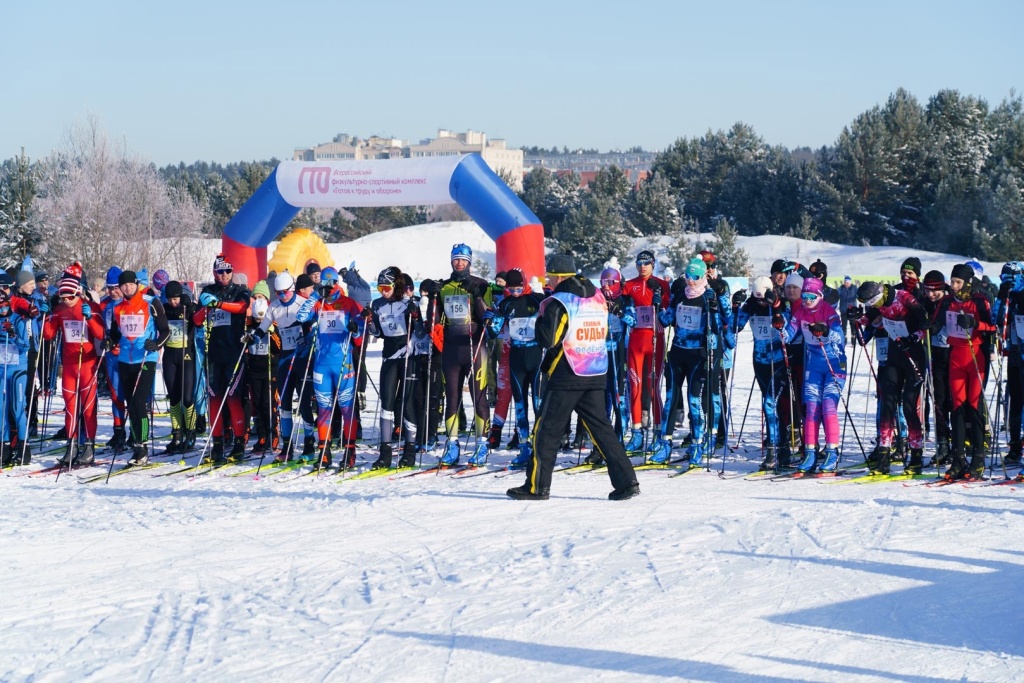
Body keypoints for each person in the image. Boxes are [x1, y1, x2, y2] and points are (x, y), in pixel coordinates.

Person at [507, 254, 639, 501]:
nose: (549, 281)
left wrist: (539, 321)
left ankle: (536, 487)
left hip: (566, 373)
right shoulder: (598, 296)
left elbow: (548, 339)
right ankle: (627, 482)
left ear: (558, 276)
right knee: (602, 430)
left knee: (546, 431)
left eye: (550, 277)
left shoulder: (559, 301)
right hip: (595, 370)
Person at [657, 257, 734, 466]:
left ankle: (699, 444)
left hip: (698, 355)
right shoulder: (681, 295)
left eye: (696, 277)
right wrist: (659, 305)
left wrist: (715, 307)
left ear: (703, 277)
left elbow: (724, 324)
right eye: (688, 276)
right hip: (677, 353)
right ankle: (665, 444)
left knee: (694, 400)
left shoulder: (710, 297)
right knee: (671, 398)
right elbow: (665, 321)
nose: (691, 281)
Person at [855, 280, 929, 475]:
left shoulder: (904, 298)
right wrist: (856, 317)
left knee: (908, 406)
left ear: (878, 297)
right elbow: (868, 319)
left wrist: (913, 338)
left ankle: (916, 455)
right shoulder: (878, 304)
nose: (872, 307)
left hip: (913, 356)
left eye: (873, 303)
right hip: (894, 356)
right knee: (887, 403)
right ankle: (883, 455)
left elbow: (925, 324)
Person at [296, 266, 363, 467]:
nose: (328, 287)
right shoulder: (318, 303)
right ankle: (324, 451)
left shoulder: (349, 303)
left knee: (346, 409)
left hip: (343, 364)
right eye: (323, 284)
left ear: (336, 283)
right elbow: (300, 317)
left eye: (331, 283)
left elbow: (361, 335)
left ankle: (350, 451)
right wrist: (315, 295)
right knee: (323, 410)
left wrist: (355, 329)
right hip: (321, 365)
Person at [778, 276, 846, 473]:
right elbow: (790, 334)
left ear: (819, 295)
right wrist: (781, 330)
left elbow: (839, 336)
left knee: (828, 405)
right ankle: (810, 452)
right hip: (814, 364)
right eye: (805, 295)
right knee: (811, 408)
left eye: (811, 296)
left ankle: (832, 452)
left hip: (834, 363)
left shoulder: (828, 310)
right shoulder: (800, 311)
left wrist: (825, 331)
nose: (807, 300)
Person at [433, 244, 492, 466]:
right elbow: (436, 319)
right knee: (452, 398)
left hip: (475, 348)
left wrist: (476, 294)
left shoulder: (481, 284)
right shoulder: (445, 287)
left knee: (479, 397)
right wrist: (431, 296)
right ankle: (452, 444)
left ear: (469, 262)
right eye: (456, 259)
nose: (459, 263)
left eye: (463, 260)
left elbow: (487, 315)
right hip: (452, 348)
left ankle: (482, 444)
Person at [935, 263, 995, 480]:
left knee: (974, 406)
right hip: (956, 357)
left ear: (968, 283)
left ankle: (978, 459)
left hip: (976, 356)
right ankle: (959, 458)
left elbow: (993, 327)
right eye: (952, 281)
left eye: (957, 282)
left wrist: (975, 323)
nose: (953, 286)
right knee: (957, 406)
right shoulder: (947, 300)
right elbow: (935, 323)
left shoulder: (980, 300)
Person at [105, 270, 170, 466]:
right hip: (125, 359)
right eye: (123, 285)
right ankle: (136, 444)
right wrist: (110, 341)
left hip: (145, 358)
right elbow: (116, 333)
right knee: (131, 403)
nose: (127, 288)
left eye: (130, 284)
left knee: (139, 402)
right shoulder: (117, 307)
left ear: (136, 284)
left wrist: (157, 344)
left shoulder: (151, 302)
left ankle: (141, 447)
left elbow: (165, 329)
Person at [194, 253, 252, 464]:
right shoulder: (208, 291)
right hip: (214, 354)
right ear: (214, 273)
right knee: (214, 398)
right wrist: (206, 307)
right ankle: (217, 443)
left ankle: (238, 444)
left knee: (233, 397)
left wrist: (219, 305)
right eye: (221, 271)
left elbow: (243, 307)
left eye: (228, 271)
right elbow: (197, 320)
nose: (225, 275)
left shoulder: (239, 290)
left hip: (234, 353)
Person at [44, 273, 106, 466]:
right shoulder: (60, 310)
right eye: (63, 297)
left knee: (88, 409)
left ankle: (89, 446)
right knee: (70, 408)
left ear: (78, 293)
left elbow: (101, 334)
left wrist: (90, 318)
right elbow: (48, 335)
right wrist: (47, 317)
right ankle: (71, 447)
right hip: (69, 365)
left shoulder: (90, 307)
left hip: (87, 363)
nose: (66, 301)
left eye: (70, 297)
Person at [486, 268, 545, 469]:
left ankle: (540, 447)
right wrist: (490, 318)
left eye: (519, 288)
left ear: (525, 283)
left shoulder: (536, 300)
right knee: (520, 405)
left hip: (536, 356)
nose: (516, 292)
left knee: (538, 403)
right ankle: (524, 447)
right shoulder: (505, 303)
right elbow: (493, 332)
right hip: (517, 357)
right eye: (512, 289)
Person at [258, 270, 316, 462]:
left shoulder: (302, 303)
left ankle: (309, 443)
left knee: (304, 403)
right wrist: (252, 337)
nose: (282, 296)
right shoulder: (274, 306)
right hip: (285, 358)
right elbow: (263, 326)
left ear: (292, 290)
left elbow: (315, 321)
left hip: (302, 357)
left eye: (285, 292)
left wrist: (307, 335)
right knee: (283, 403)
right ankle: (287, 446)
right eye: (279, 293)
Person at [366, 266, 418, 470]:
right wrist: (369, 322)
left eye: (386, 287)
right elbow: (377, 332)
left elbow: (420, 333)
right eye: (379, 288)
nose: (383, 291)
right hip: (388, 356)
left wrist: (415, 316)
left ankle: (410, 451)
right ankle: (385, 453)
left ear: (395, 286)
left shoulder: (407, 303)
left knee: (406, 404)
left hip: (407, 356)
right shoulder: (377, 304)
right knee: (386, 403)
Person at [736, 276, 790, 470]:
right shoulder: (751, 304)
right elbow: (735, 326)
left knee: (770, 404)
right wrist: (734, 306)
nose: (760, 302)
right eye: (756, 298)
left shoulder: (780, 303)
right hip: (760, 362)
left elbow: (791, 327)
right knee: (770, 406)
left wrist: (777, 309)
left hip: (779, 362)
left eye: (762, 298)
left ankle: (775, 449)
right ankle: (782, 449)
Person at [621, 249, 670, 452]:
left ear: (653, 264)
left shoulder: (662, 284)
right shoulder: (629, 285)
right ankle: (637, 432)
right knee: (635, 386)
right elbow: (623, 308)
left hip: (655, 340)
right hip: (635, 341)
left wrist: (660, 297)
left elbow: (669, 311)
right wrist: (626, 312)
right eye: (639, 263)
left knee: (653, 388)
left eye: (647, 263)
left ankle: (658, 433)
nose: (642, 266)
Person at [161, 281, 198, 454]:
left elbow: (199, 316)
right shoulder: (165, 309)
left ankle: (190, 431)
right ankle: (176, 432)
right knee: (174, 397)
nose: (173, 302)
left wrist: (190, 307)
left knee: (187, 397)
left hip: (186, 355)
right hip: (169, 355)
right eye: (170, 299)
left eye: (175, 299)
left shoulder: (186, 307)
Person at [921, 270, 953, 466]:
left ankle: (959, 443)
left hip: (953, 354)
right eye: (928, 290)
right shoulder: (924, 302)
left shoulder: (949, 301)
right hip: (935, 356)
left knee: (954, 401)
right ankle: (943, 445)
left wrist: (931, 325)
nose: (931, 294)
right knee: (939, 401)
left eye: (935, 291)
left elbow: (939, 321)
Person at [838, 276, 859, 343]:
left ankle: (853, 338)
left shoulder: (854, 288)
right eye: (845, 282)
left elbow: (859, 296)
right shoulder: (841, 288)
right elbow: (836, 295)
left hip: (852, 310)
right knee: (844, 324)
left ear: (850, 283)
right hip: (843, 310)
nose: (846, 284)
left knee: (853, 324)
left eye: (847, 282)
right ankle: (844, 338)